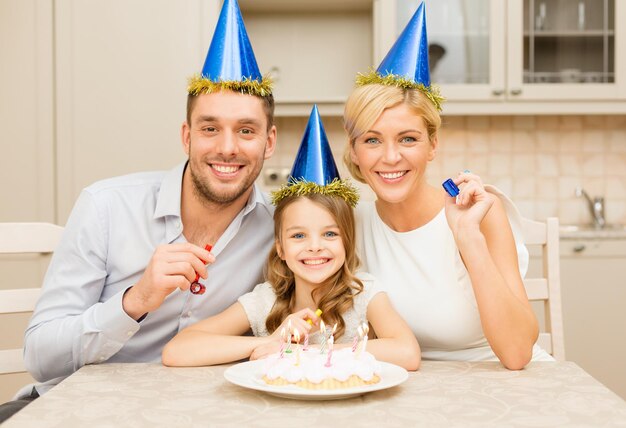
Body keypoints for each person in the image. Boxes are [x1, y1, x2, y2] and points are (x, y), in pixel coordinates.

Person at [0, 0, 274, 423]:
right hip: (76, 410)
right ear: (186, 136)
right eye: (209, 128)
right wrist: (135, 301)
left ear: (269, 143)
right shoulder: (106, 207)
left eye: (246, 131)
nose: (227, 147)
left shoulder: (282, 230)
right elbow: (41, 357)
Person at [342, 3, 550, 370]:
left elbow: (518, 354)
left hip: (497, 379)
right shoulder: (349, 223)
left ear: (433, 145)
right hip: (406, 384)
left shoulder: (478, 214)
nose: (390, 157)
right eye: (372, 141)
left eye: (408, 139)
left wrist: (468, 238)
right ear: (355, 151)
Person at [162, 106, 420, 370]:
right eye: (298, 235)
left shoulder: (363, 295)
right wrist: (273, 341)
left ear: (347, 241)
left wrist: (316, 352)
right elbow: (177, 351)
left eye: (330, 233)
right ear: (280, 248)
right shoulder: (267, 301)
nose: (315, 247)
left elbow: (407, 352)